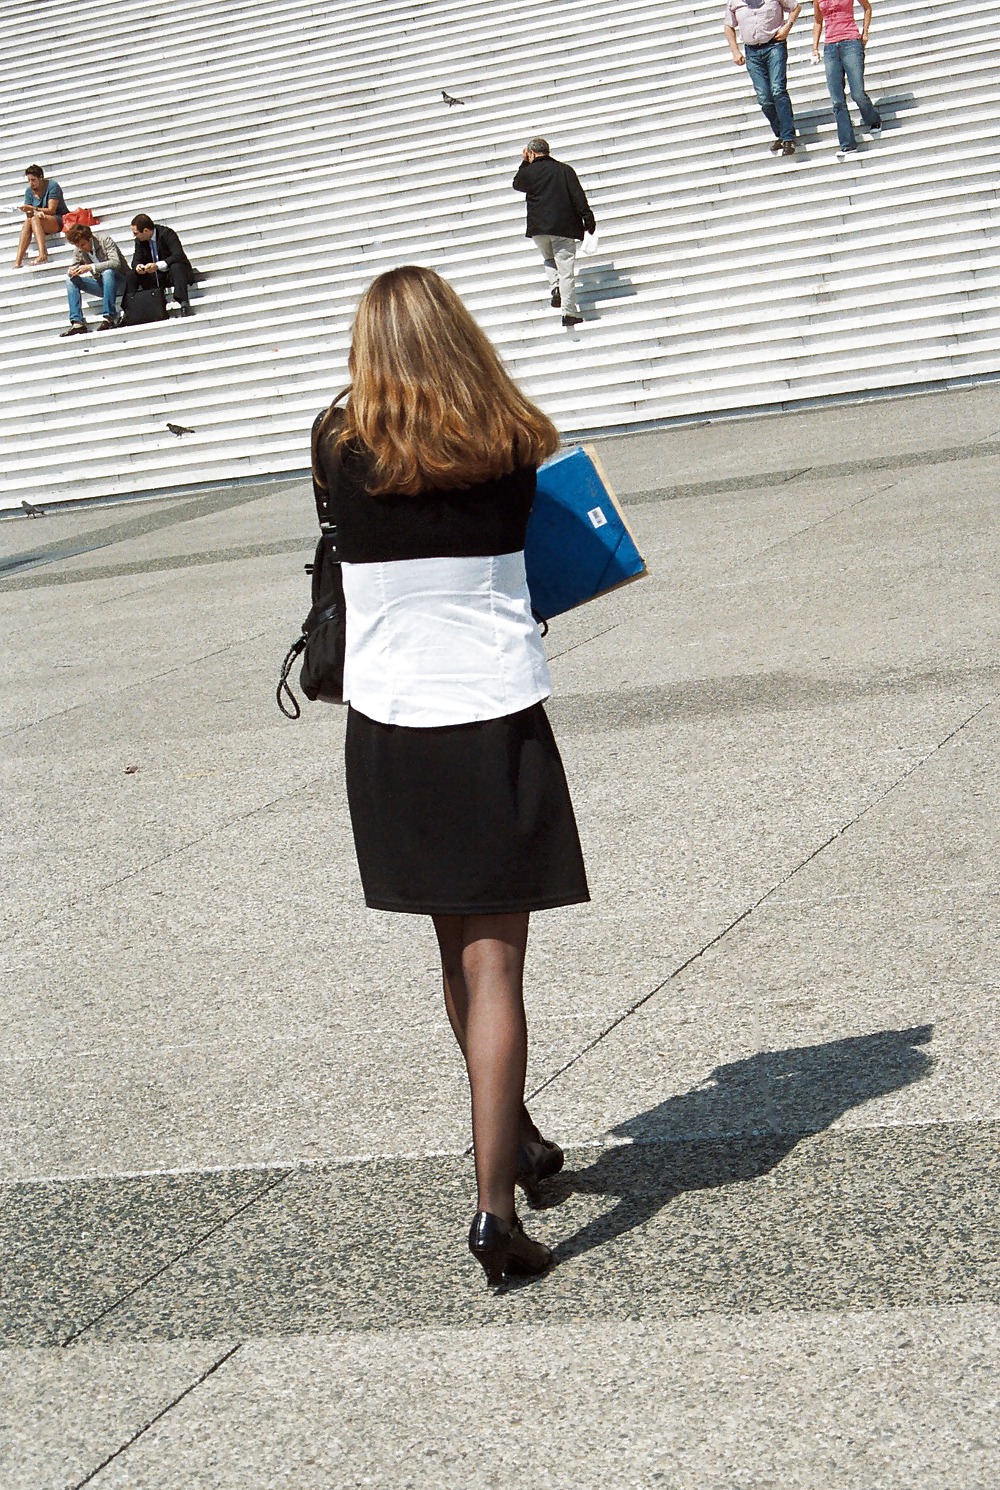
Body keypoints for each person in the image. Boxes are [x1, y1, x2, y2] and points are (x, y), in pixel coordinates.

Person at [311, 266, 590, 1286]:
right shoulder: (506, 441)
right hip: (493, 711)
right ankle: (492, 1212)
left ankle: (511, 1140)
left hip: (391, 724)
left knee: (452, 944)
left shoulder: (337, 445)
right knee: (496, 963)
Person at [512, 137, 595, 329]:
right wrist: (587, 218)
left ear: (532, 153)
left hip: (539, 228)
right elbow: (578, 195)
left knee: (549, 259)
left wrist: (525, 162)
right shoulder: (565, 170)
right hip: (563, 227)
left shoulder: (529, 172)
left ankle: (555, 287)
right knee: (566, 270)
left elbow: (517, 184)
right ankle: (569, 313)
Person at [724, 0, 802, 156]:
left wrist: (788, 26)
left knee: (778, 90)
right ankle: (780, 133)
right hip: (752, 51)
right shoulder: (734, 2)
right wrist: (735, 51)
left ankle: (788, 137)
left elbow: (796, 7)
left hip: (774, 45)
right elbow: (728, 25)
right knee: (764, 98)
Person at [813, 0, 881, 155]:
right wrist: (815, 47)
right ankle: (847, 143)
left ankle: (872, 118)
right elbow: (817, 21)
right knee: (837, 100)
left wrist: (865, 33)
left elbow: (867, 8)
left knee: (857, 92)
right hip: (830, 47)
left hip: (850, 42)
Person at [61, 224, 129, 336]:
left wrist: (90, 267)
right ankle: (77, 322)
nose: (81, 248)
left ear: (90, 238)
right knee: (71, 280)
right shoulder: (79, 249)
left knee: (108, 272)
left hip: (121, 281)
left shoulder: (104, 240)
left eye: (83, 244)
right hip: (102, 284)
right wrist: (72, 271)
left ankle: (109, 317)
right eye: (78, 246)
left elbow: (115, 263)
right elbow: (74, 265)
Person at [126, 214, 198, 315]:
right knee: (131, 275)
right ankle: (130, 309)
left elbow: (178, 255)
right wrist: (138, 267)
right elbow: (136, 260)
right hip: (154, 277)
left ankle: (183, 303)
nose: (135, 236)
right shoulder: (139, 241)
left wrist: (158, 265)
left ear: (146, 231)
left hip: (171, 272)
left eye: (136, 233)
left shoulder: (167, 233)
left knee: (176, 266)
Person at [13, 165, 68, 268]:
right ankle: (18, 260)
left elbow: (52, 210)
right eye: (29, 180)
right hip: (39, 221)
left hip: (59, 218)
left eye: (33, 180)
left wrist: (35, 209)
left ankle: (43, 254)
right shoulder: (29, 191)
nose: (31, 183)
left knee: (35, 219)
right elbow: (29, 215)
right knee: (28, 222)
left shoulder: (52, 186)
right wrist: (30, 210)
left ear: (41, 177)